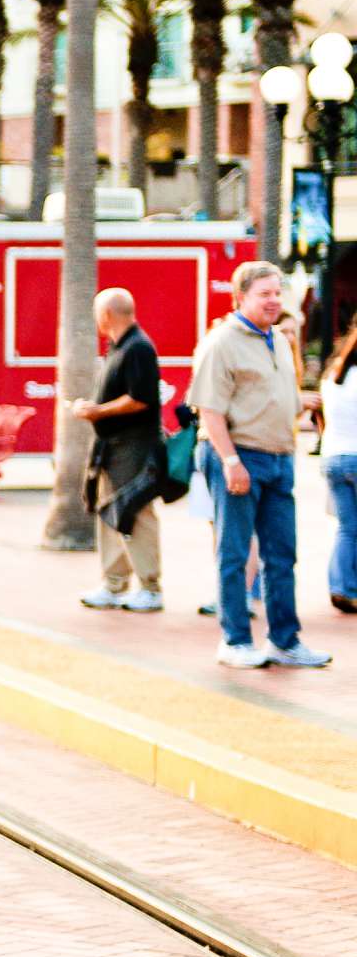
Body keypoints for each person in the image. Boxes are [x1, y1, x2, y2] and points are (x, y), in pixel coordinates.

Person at [189, 260, 329, 668]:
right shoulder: (221, 343)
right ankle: (234, 641)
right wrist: (231, 461)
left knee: (282, 553)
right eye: (264, 294)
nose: (273, 301)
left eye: (276, 293)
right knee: (234, 553)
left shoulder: (279, 341)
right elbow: (209, 410)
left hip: (279, 458)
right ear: (241, 297)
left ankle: (284, 641)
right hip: (239, 455)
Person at [71, 288, 166, 613]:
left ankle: (150, 587)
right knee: (111, 511)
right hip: (114, 448)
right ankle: (114, 584)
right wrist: (96, 410)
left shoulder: (138, 348)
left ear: (107, 315)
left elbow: (140, 398)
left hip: (135, 448)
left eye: (98, 313)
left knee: (136, 512)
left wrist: (98, 412)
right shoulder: (119, 347)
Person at [322, 320, 357, 614]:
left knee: (347, 528)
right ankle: (347, 586)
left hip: (333, 456)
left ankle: (341, 585)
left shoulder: (334, 375)